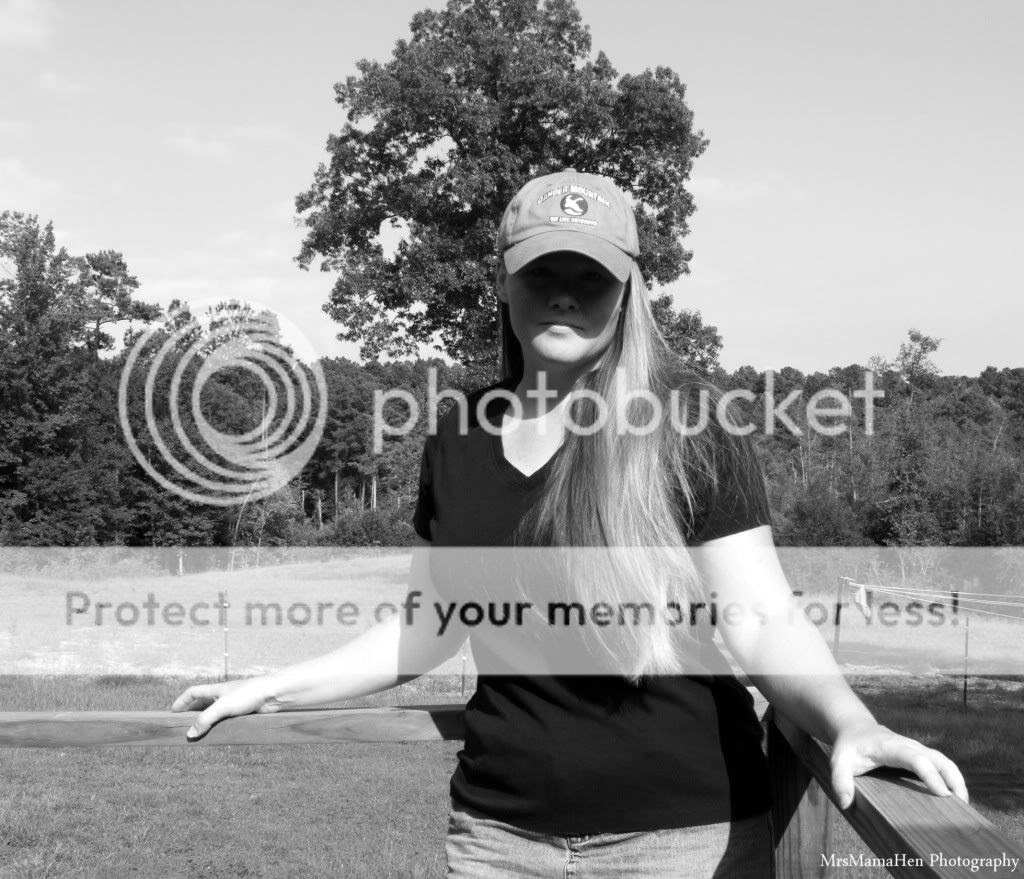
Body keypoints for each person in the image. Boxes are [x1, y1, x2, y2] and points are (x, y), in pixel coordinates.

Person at [172, 169, 969, 878]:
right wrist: (271, 687)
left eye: (589, 276)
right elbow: (425, 629)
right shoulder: (457, 435)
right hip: (497, 838)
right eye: (541, 270)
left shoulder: (689, 425)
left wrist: (851, 721)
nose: (563, 293)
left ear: (626, 292)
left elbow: (760, 617)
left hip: (685, 842)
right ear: (504, 281)